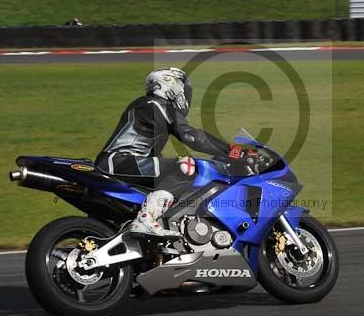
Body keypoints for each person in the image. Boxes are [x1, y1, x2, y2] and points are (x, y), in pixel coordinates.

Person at [94, 67, 249, 239]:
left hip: (121, 162)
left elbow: (149, 151)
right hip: (121, 161)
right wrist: (230, 150)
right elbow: (190, 136)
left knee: (168, 172)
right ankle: (146, 218)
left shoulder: (146, 106)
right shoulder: (157, 105)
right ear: (173, 86)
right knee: (187, 167)